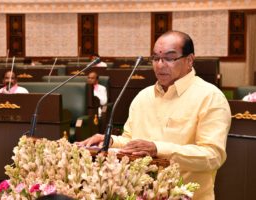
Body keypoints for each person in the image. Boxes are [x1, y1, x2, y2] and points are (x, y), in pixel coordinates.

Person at [78, 30, 231, 200]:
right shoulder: (143, 96)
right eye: (156, 58)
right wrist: (110, 141)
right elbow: (133, 142)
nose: (160, 65)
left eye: (169, 58)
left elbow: (213, 156)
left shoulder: (210, 97)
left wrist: (158, 149)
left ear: (189, 60)